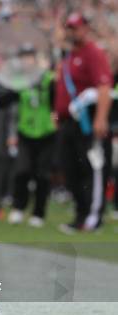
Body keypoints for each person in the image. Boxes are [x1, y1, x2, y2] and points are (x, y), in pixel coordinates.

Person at [55, 12, 114, 233]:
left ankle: (93, 217)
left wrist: (101, 118)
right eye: (69, 28)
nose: (72, 32)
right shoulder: (69, 56)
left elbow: (104, 87)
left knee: (92, 170)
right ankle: (80, 214)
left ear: (85, 29)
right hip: (68, 124)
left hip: (88, 123)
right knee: (71, 170)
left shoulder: (93, 53)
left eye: (76, 27)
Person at [8, 46, 57, 228]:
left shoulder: (48, 78)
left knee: (42, 174)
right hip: (25, 131)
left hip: (46, 132)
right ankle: (18, 208)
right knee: (22, 171)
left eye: (29, 57)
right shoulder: (19, 81)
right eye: (23, 57)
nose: (26, 61)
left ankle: (39, 213)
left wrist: (56, 118)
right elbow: (4, 101)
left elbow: (57, 102)